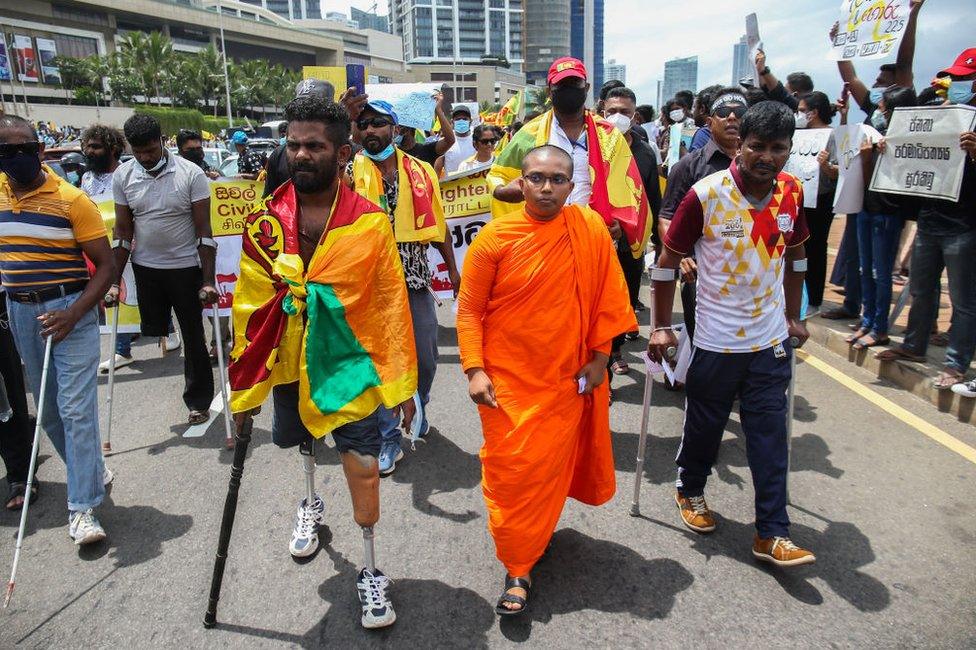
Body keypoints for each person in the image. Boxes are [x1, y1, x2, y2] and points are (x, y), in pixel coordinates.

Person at [229, 95, 417, 628]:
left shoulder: (370, 223)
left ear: (342, 152)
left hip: (349, 365)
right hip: (288, 359)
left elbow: (387, 305)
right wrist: (243, 388)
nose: (301, 155)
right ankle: (310, 502)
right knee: (304, 441)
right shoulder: (264, 222)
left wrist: (402, 384)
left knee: (361, 462)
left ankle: (372, 568)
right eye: (293, 145)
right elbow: (249, 304)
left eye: (314, 145)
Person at [457, 145, 635, 615]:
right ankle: (518, 564)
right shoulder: (494, 239)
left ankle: (530, 547)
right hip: (508, 380)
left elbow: (607, 297)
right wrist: (474, 369)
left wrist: (601, 358)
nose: (547, 188)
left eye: (558, 179)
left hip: (566, 377)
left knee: (550, 467)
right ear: (521, 181)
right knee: (513, 472)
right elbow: (470, 310)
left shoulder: (588, 228)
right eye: (537, 178)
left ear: (571, 184)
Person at [648, 101, 815, 567]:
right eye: (757, 147)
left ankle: (772, 532)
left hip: (769, 342)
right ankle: (691, 490)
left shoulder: (791, 192)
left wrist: (793, 315)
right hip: (716, 341)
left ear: (788, 150)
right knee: (705, 428)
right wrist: (661, 328)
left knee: (769, 435)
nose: (767, 157)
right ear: (739, 145)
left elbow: (798, 255)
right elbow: (664, 266)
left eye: (777, 148)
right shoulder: (706, 194)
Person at [0, 114, 116, 544]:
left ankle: (82, 507)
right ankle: (92, 471)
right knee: (48, 413)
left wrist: (74, 313)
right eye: (6, 152)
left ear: (39, 149)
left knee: (75, 411)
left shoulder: (72, 200)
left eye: (25, 149)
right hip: (20, 313)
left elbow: (105, 266)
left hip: (71, 310)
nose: (17, 158)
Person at [350, 100, 457, 476]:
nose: (369, 130)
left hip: (413, 277)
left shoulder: (421, 170)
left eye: (377, 123)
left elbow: (439, 224)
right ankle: (389, 436)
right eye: (363, 124)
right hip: (370, 281)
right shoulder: (350, 171)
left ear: (395, 128)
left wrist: (453, 271)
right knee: (382, 363)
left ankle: (420, 405)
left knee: (426, 356)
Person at [878, 49, 976, 392]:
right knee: (921, 288)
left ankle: (956, 362)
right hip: (931, 219)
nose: (957, 85)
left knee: (964, 301)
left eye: (965, 79)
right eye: (956, 79)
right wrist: (892, 154)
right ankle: (914, 345)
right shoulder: (943, 118)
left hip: (965, 226)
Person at [488, 56, 650, 263]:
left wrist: (620, 221)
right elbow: (498, 174)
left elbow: (627, 185)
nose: (568, 90)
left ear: (586, 87)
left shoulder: (608, 135)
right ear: (549, 91)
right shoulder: (529, 134)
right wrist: (502, 191)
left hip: (594, 239)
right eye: (561, 85)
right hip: (542, 243)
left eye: (574, 84)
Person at [110, 114, 217, 425]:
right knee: (156, 332)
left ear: (162, 141)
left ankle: (198, 401)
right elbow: (122, 232)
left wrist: (208, 280)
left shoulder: (190, 174)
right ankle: (162, 333)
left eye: (151, 150)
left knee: (194, 335)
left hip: (184, 268)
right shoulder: (124, 176)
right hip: (147, 269)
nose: (145, 157)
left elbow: (204, 233)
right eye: (138, 151)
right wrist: (114, 282)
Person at [658, 88, 747, 343]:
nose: (732, 118)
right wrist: (681, 257)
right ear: (710, 122)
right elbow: (667, 217)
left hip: (749, 274)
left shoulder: (760, 167)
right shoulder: (688, 166)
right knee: (706, 345)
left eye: (739, 113)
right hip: (702, 274)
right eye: (723, 113)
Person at [846, 86, 917, 351]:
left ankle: (880, 328)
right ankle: (867, 321)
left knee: (881, 272)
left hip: (887, 213)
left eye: (884, 107)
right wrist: (867, 156)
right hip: (867, 208)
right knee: (866, 269)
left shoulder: (907, 142)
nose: (879, 111)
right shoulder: (874, 137)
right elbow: (866, 181)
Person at [601, 86, 663, 380]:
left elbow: (653, 200)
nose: (617, 117)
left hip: (631, 243)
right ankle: (607, 359)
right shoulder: (591, 145)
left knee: (623, 301)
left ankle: (614, 349)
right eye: (611, 111)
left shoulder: (645, 152)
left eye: (624, 112)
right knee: (599, 303)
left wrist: (661, 245)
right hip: (598, 241)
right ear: (602, 111)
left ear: (634, 115)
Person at [830, 0, 924, 125]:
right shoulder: (872, 107)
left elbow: (904, 65)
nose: (874, 86)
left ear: (897, 86)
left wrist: (912, 15)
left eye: (881, 82)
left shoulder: (903, 106)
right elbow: (850, 79)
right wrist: (838, 44)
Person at [797, 91, 839, 309]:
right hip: (800, 197)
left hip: (821, 199)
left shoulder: (832, 136)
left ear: (814, 113)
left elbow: (839, 172)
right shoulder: (798, 134)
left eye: (803, 111)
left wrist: (826, 166)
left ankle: (814, 297)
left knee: (816, 248)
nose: (799, 114)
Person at [396, 91, 455, 166]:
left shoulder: (427, 150)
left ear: (407, 130)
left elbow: (450, 140)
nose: (395, 132)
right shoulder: (393, 155)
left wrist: (438, 109)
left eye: (399, 128)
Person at [81, 124, 125, 197]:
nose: (90, 151)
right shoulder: (87, 177)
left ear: (113, 149)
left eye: (96, 147)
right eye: (88, 146)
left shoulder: (126, 176)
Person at [438, 105, 476, 174]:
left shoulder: (477, 139)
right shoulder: (446, 140)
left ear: (470, 120)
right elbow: (438, 165)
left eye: (465, 119)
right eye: (458, 119)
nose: (461, 121)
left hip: (473, 182)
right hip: (452, 183)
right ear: (452, 121)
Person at [690, 85, 723, 152]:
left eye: (694, 107)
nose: (692, 112)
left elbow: (696, 161)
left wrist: (680, 146)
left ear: (702, 109)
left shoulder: (703, 133)